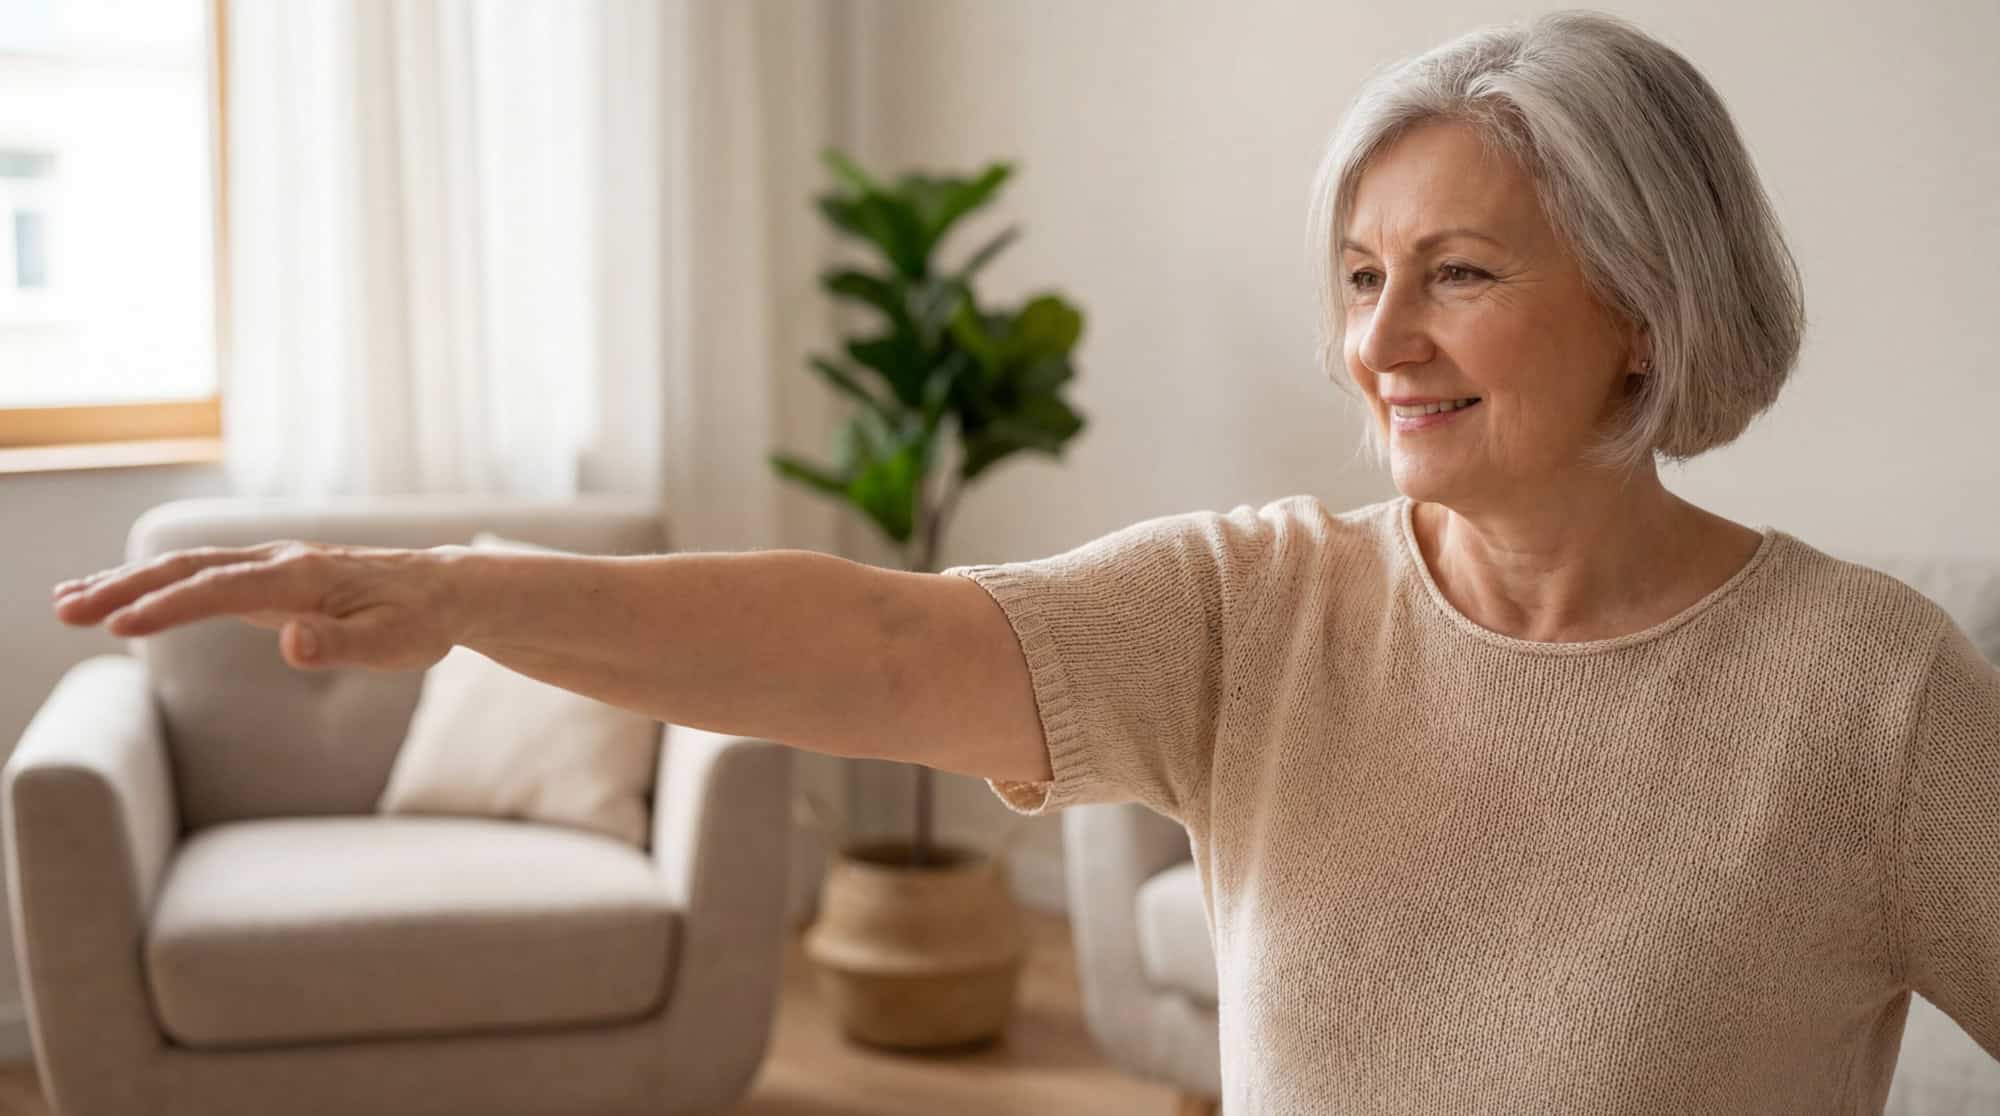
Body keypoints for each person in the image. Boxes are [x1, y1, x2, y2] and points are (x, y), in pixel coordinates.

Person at [50, 9, 1999, 1114]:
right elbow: (880, 645)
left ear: (1647, 309)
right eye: (1355, 276)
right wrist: (471, 588)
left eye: (1459, 274)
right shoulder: (1260, 609)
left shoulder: (1866, 689)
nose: (1377, 341)